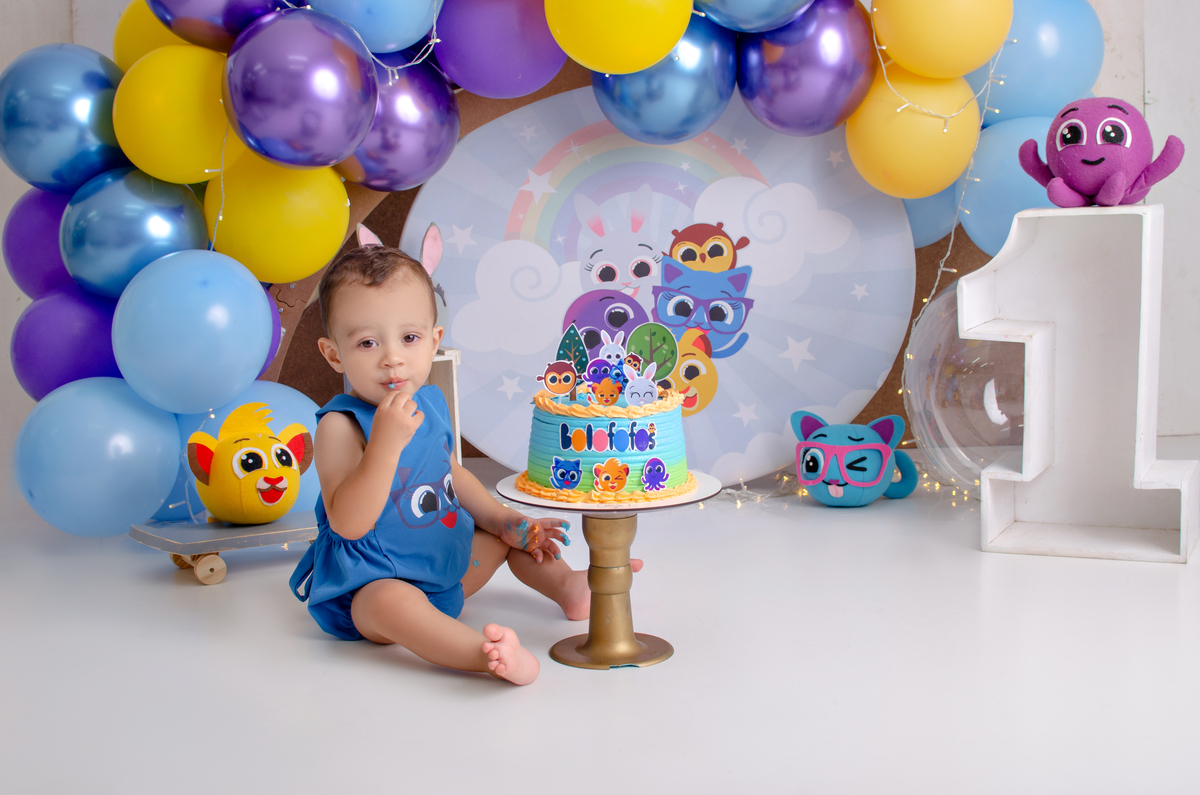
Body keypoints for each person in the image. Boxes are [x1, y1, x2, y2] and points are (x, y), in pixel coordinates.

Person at [289, 245, 603, 685]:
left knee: (509, 535)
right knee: (388, 603)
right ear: (334, 354)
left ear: (434, 341)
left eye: (409, 338)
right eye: (367, 343)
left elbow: (450, 472)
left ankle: (567, 587)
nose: (392, 358)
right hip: (375, 582)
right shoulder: (340, 426)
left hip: (445, 567)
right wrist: (384, 445)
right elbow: (348, 524)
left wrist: (502, 519)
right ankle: (485, 655)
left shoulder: (430, 402)